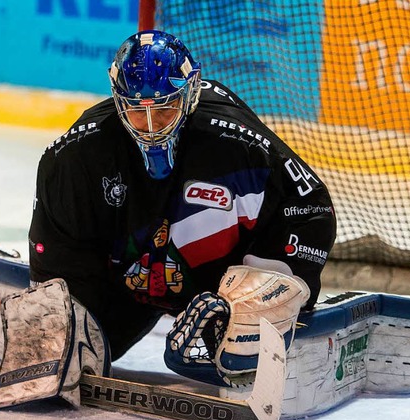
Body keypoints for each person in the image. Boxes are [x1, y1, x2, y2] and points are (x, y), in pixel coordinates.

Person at [27, 30, 336, 389]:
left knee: (248, 324)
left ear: (190, 94)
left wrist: (256, 297)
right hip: (121, 285)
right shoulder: (75, 156)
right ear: (118, 100)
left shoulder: (239, 144)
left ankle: (240, 331)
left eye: (164, 108)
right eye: (137, 111)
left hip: (216, 288)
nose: (152, 127)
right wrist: (55, 309)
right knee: (55, 338)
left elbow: (310, 207)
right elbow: (57, 249)